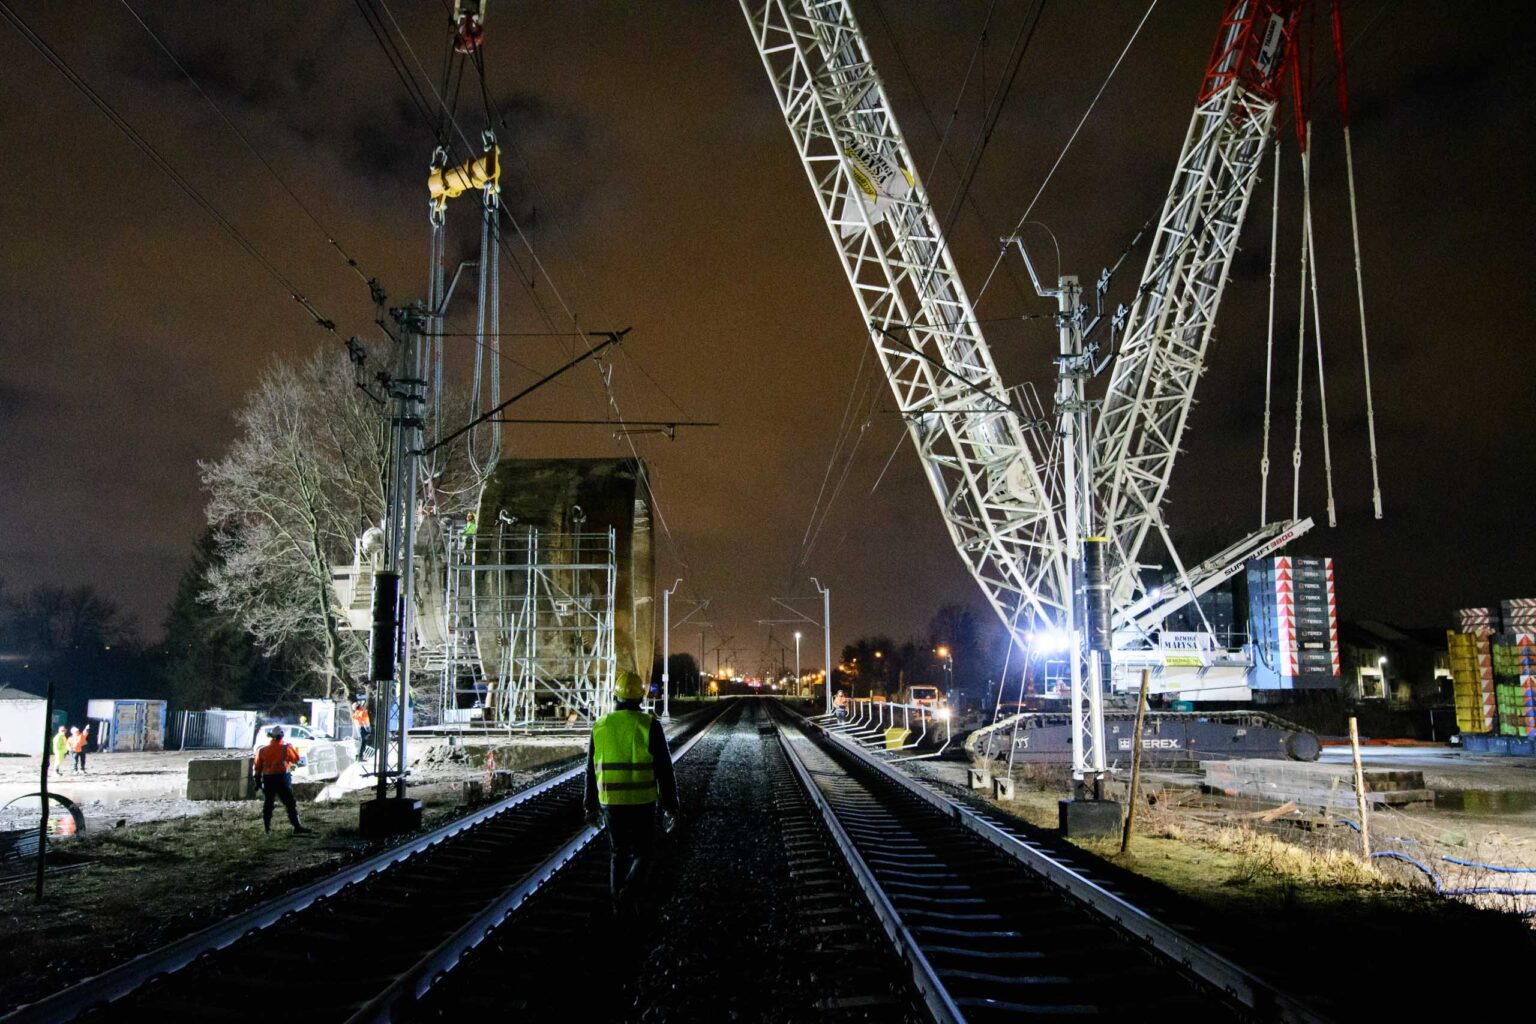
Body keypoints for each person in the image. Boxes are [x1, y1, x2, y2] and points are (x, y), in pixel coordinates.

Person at [584, 670, 679, 917]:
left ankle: (619, 904)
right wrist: (671, 804)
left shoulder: (600, 726)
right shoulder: (649, 725)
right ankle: (629, 891)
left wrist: (589, 806)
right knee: (644, 853)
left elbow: (590, 770)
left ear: (615, 697)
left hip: (611, 802)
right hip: (642, 801)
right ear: (640, 697)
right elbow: (664, 769)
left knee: (619, 852)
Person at [253, 726, 312, 835]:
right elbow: (296, 759)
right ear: (282, 736)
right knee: (290, 803)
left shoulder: (262, 750)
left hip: (268, 780)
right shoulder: (286, 748)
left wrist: (257, 781)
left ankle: (267, 829)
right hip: (282, 779)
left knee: (268, 804)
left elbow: (257, 767)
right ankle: (296, 827)